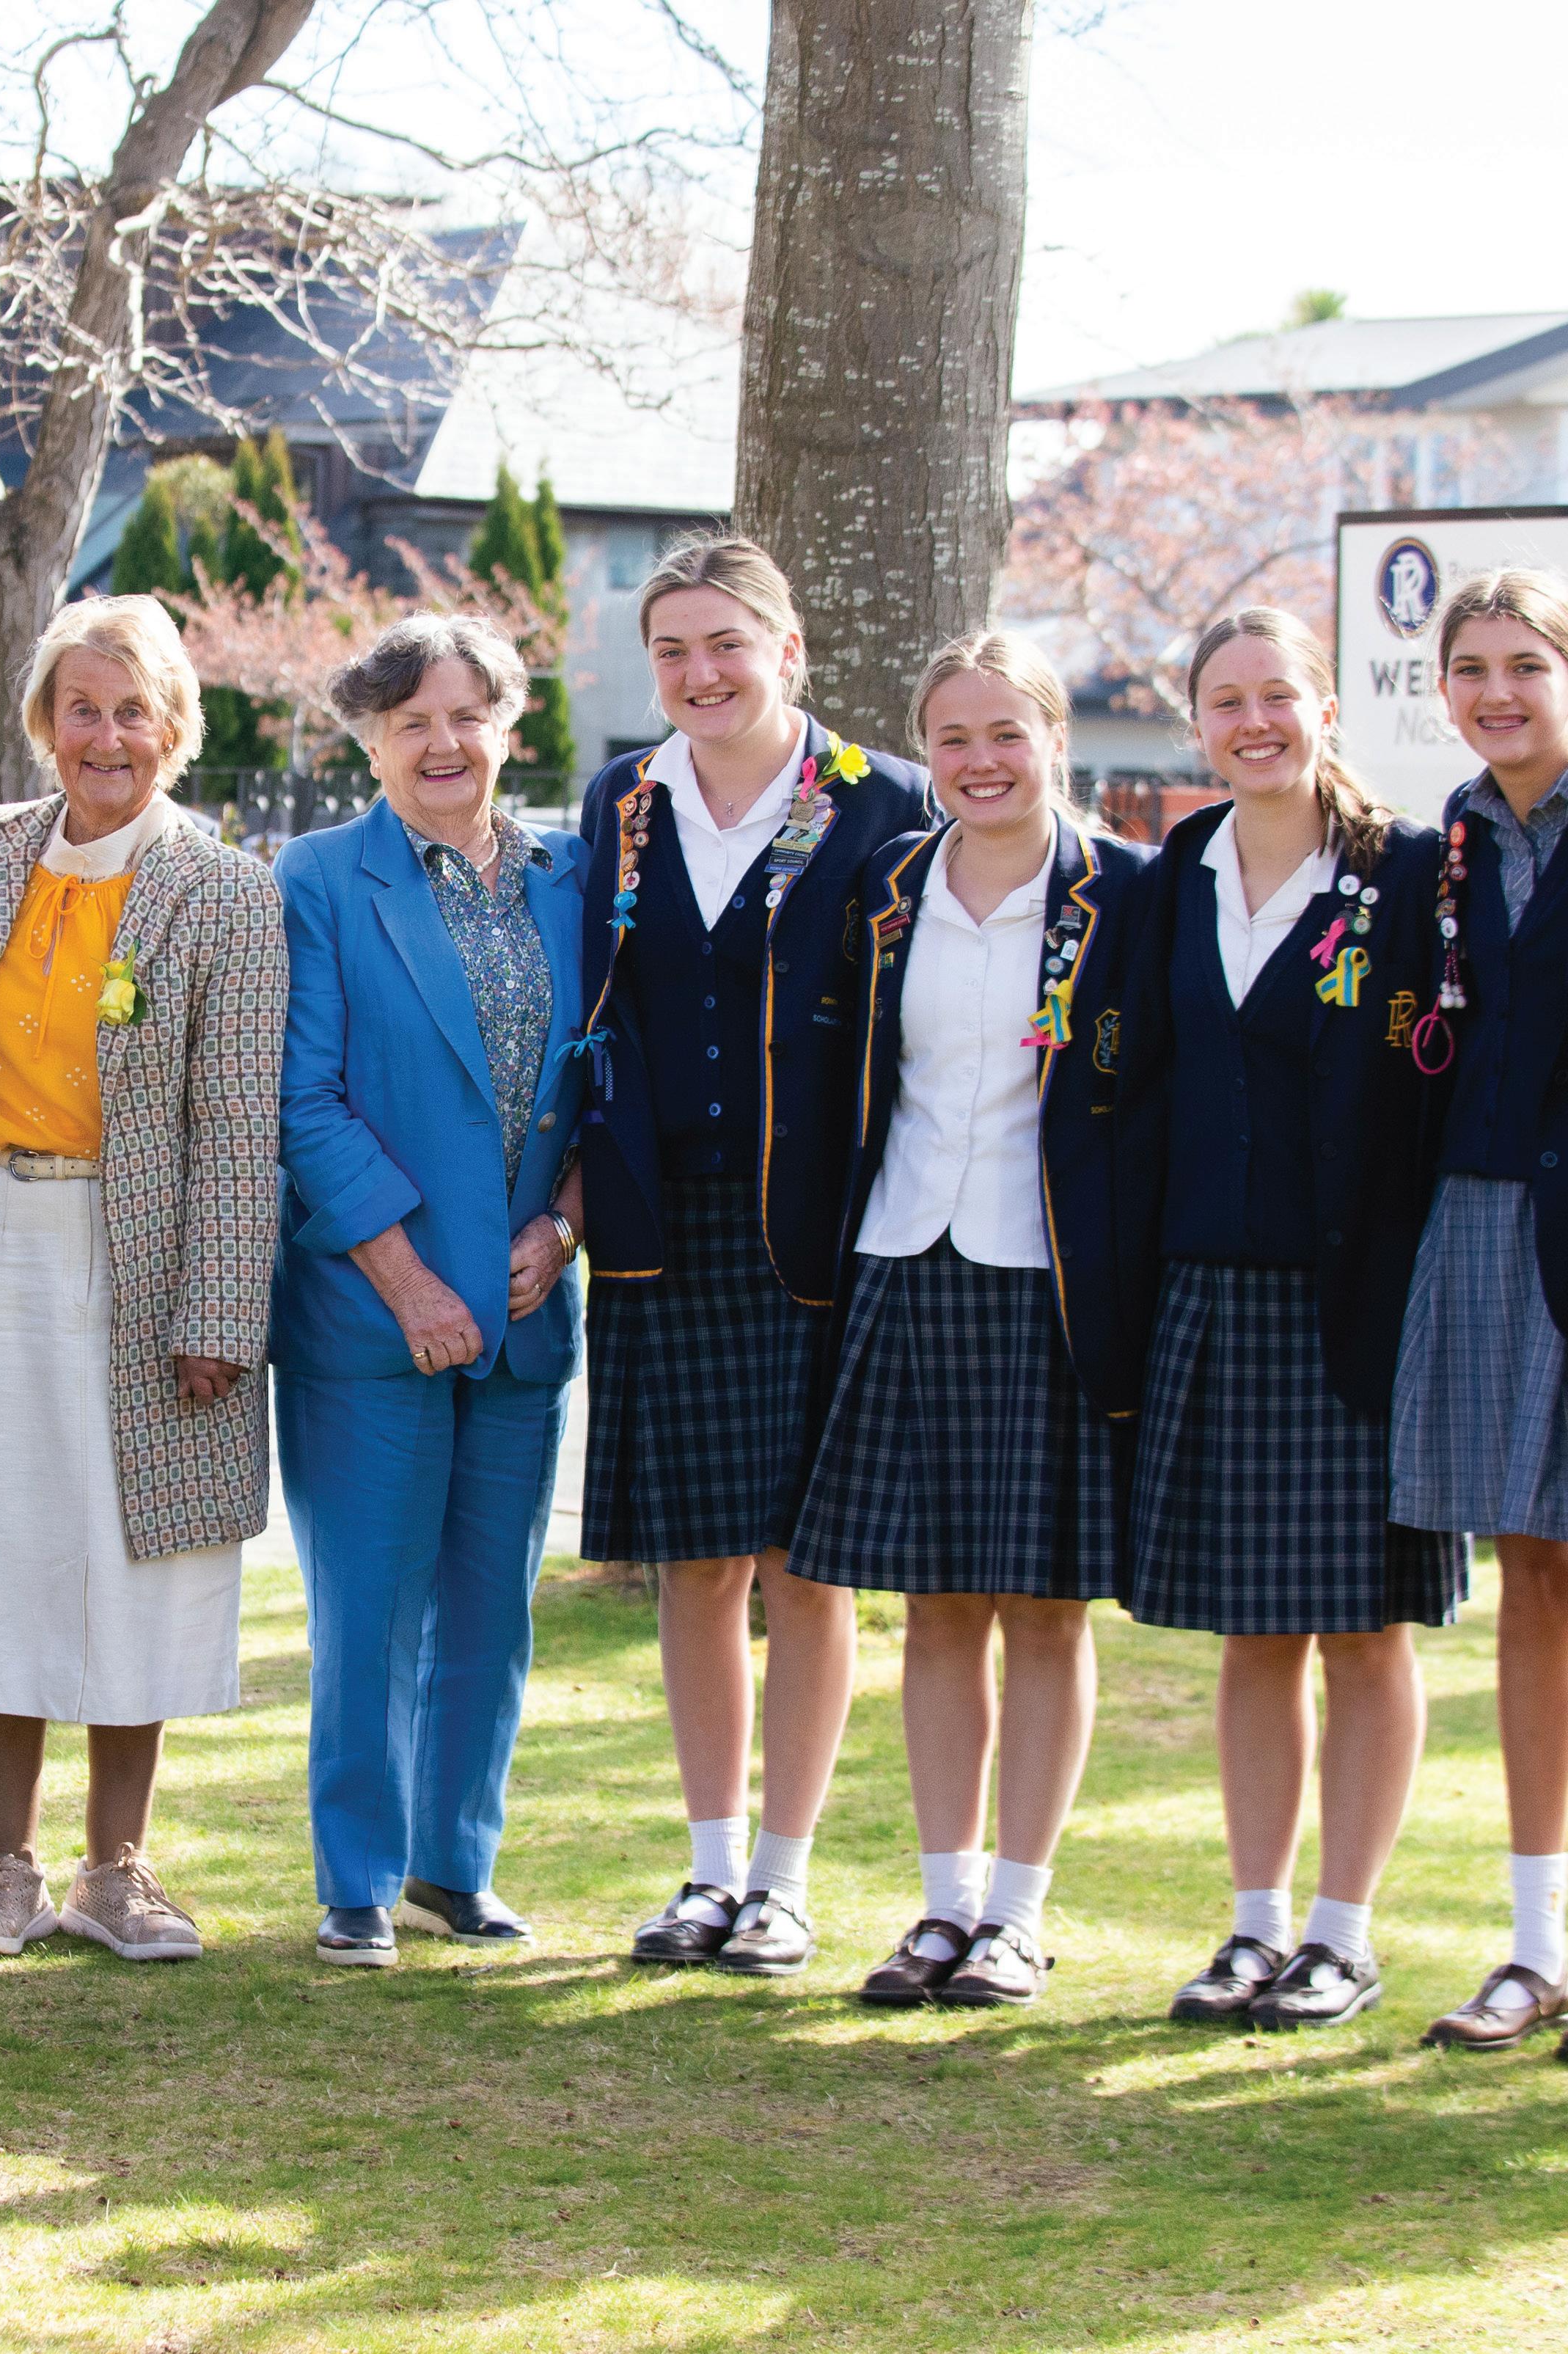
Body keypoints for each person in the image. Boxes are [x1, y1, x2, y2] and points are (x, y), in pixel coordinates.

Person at [0, 594, 286, 1964]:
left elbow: (238, 1117)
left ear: (174, 726)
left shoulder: (227, 889)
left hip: (153, 1255)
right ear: (44, 723)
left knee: (139, 1559)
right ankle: (2, 1866)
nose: (105, 736)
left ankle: (116, 1870)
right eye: (81, 708)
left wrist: (219, 1308)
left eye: (132, 710)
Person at [574, 538, 931, 1978]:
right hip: (662, 1224)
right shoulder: (623, 798)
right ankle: (709, 1866)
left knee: (804, 1561)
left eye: (725, 641)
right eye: (671, 648)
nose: (699, 671)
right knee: (694, 1562)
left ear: (786, 649)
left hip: (818, 1224)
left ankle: (781, 1880)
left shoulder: (879, 797)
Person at [786, 632, 1151, 2010]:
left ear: (1055, 738)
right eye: (953, 737)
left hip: (1051, 1271)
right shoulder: (886, 885)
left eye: (1007, 733)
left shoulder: (1128, 892)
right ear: (924, 750)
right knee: (937, 1606)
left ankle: (1017, 1914)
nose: (980, 761)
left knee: (1045, 1612)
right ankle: (942, 1906)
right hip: (905, 1257)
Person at [1119, 607, 1458, 2033]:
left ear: (1324, 705)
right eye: (1225, 700)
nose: (1252, 722)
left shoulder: (1409, 873)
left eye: (1277, 694)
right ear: (1195, 720)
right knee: (1251, 1632)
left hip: (1359, 1296)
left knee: (1365, 1629)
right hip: (1207, 1287)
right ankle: (1255, 1923)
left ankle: (1341, 1932)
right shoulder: (1169, 874)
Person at [271, 615, 588, 1967]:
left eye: (468, 715)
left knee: (490, 1611)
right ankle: (357, 1878)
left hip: (525, 1310)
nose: (443, 743)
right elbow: (305, 1098)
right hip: (369, 1312)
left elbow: (609, 1086)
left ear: (509, 725)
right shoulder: (319, 878)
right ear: (370, 741)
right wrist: (406, 1279)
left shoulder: (575, 879)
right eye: (411, 723)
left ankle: (455, 1867)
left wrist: (566, 1226)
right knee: (368, 1614)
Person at [1379, 569, 1568, 2054]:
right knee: (1530, 1570)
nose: (1496, 691)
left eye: (1525, 664)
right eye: (1469, 667)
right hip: (1479, 1219)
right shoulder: (1441, 851)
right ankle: (1536, 1940)